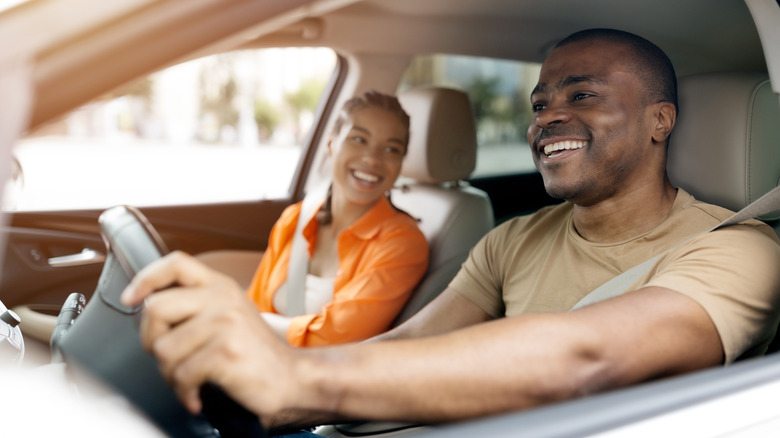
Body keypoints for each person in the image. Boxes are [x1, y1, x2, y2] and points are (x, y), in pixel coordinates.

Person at [120, 28, 780, 431]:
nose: (548, 117)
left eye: (582, 95)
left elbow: (589, 361)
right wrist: (268, 396)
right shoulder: (513, 239)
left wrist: (297, 379)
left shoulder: (740, 251)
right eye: (541, 102)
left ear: (660, 121)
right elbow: (408, 346)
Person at [247, 90, 429, 347]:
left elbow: (337, 337)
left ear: (400, 162)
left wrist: (246, 322)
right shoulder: (296, 219)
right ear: (331, 143)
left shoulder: (402, 243)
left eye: (391, 148)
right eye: (359, 139)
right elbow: (256, 301)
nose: (372, 159)